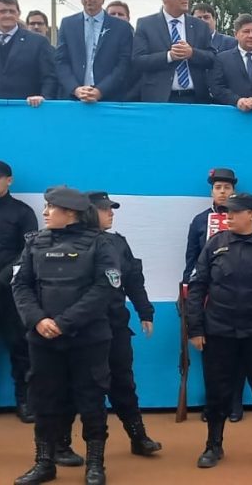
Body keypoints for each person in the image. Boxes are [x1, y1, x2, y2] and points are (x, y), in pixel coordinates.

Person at [10, 186, 119, 485]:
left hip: (88, 339)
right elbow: (21, 285)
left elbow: (104, 288)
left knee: (91, 399)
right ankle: (44, 462)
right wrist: (38, 319)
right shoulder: (34, 242)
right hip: (43, 339)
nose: (44, 213)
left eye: (50, 208)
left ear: (70, 213)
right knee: (43, 400)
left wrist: (63, 322)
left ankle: (95, 465)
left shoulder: (101, 244)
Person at [187, 192, 252, 469]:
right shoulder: (215, 244)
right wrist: (195, 328)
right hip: (219, 332)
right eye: (226, 212)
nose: (228, 217)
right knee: (217, 390)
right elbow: (197, 287)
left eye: (233, 212)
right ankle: (213, 445)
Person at [81, 191, 160, 457]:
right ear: (89, 211)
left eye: (111, 208)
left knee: (123, 382)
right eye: (105, 209)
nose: (111, 213)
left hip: (115, 326)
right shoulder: (73, 243)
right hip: (82, 329)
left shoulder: (118, 243)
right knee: (78, 387)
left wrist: (145, 311)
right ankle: (62, 446)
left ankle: (138, 437)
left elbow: (133, 279)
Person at [181, 167, 247, 422]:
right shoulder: (199, 221)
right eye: (218, 188)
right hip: (206, 294)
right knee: (212, 352)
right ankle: (213, 403)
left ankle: (235, 403)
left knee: (240, 349)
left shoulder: (249, 217)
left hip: (240, 294)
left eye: (227, 188)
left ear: (234, 191)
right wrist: (189, 291)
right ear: (211, 191)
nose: (222, 192)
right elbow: (190, 259)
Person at [0, 160, 38, 423]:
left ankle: (25, 403)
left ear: (9, 180)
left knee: (20, 348)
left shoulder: (23, 213)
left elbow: (27, 254)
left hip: (11, 293)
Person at [132, 0, 216, 103]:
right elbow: (138, 61)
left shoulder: (200, 26)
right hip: (160, 100)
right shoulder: (146, 24)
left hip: (196, 99)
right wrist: (169, 56)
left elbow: (212, 59)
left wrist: (192, 53)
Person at [55, 0, 133, 103]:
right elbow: (61, 61)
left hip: (109, 98)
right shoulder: (67, 24)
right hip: (74, 98)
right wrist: (75, 89)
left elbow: (123, 64)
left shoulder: (121, 27)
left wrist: (100, 91)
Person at [0, 0, 57, 105]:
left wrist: (44, 98)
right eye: (2, 11)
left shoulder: (38, 42)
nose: (8, 15)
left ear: (19, 14)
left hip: (27, 110)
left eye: (12, 11)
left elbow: (49, 77)